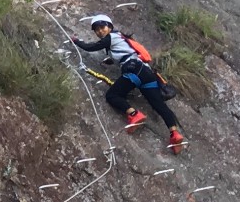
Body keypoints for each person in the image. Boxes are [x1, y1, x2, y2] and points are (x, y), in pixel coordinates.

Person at [71, 14, 185, 154]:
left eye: (102, 27)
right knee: (159, 105)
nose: (100, 31)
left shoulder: (111, 37)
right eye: (97, 30)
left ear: (110, 27)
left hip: (134, 70)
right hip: (147, 73)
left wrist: (76, 41)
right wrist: (112, 60)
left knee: (112, 95)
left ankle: (134, 114)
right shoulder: (120, 38)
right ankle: (175, 134)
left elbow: (91, 47)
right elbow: (126, 52)